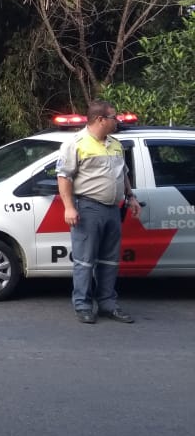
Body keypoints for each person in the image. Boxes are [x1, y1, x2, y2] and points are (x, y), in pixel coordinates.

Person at [56, 99, 141, 324]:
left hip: (113, 209)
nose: (117, 121)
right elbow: (64, 177)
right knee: (85, 260)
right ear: (100, 119)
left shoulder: (115, 144)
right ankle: (83, 305)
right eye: (114, 117)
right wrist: (69, 207)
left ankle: (107, 303)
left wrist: (131, 196)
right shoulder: (76, 143)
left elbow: (123, 174)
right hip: (88, 208)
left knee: (109, 260)